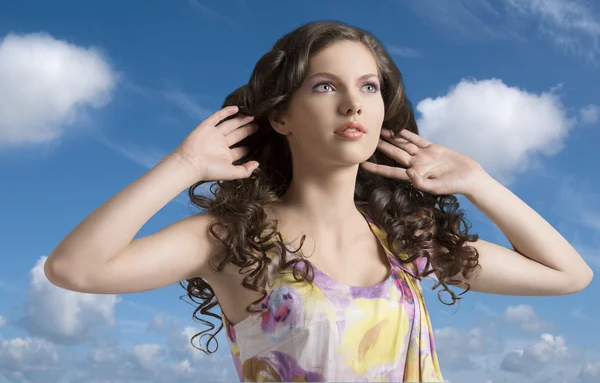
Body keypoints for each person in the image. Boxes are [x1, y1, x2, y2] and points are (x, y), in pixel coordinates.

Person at [45, 20, 593, 382]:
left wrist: (479, 182)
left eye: (370, 87)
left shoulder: (405, 244)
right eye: (325, 86)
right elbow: (74, 268)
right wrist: (184, 166)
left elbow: (569, 274)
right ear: (280, 115)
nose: (353, 102)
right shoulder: (233, 239)